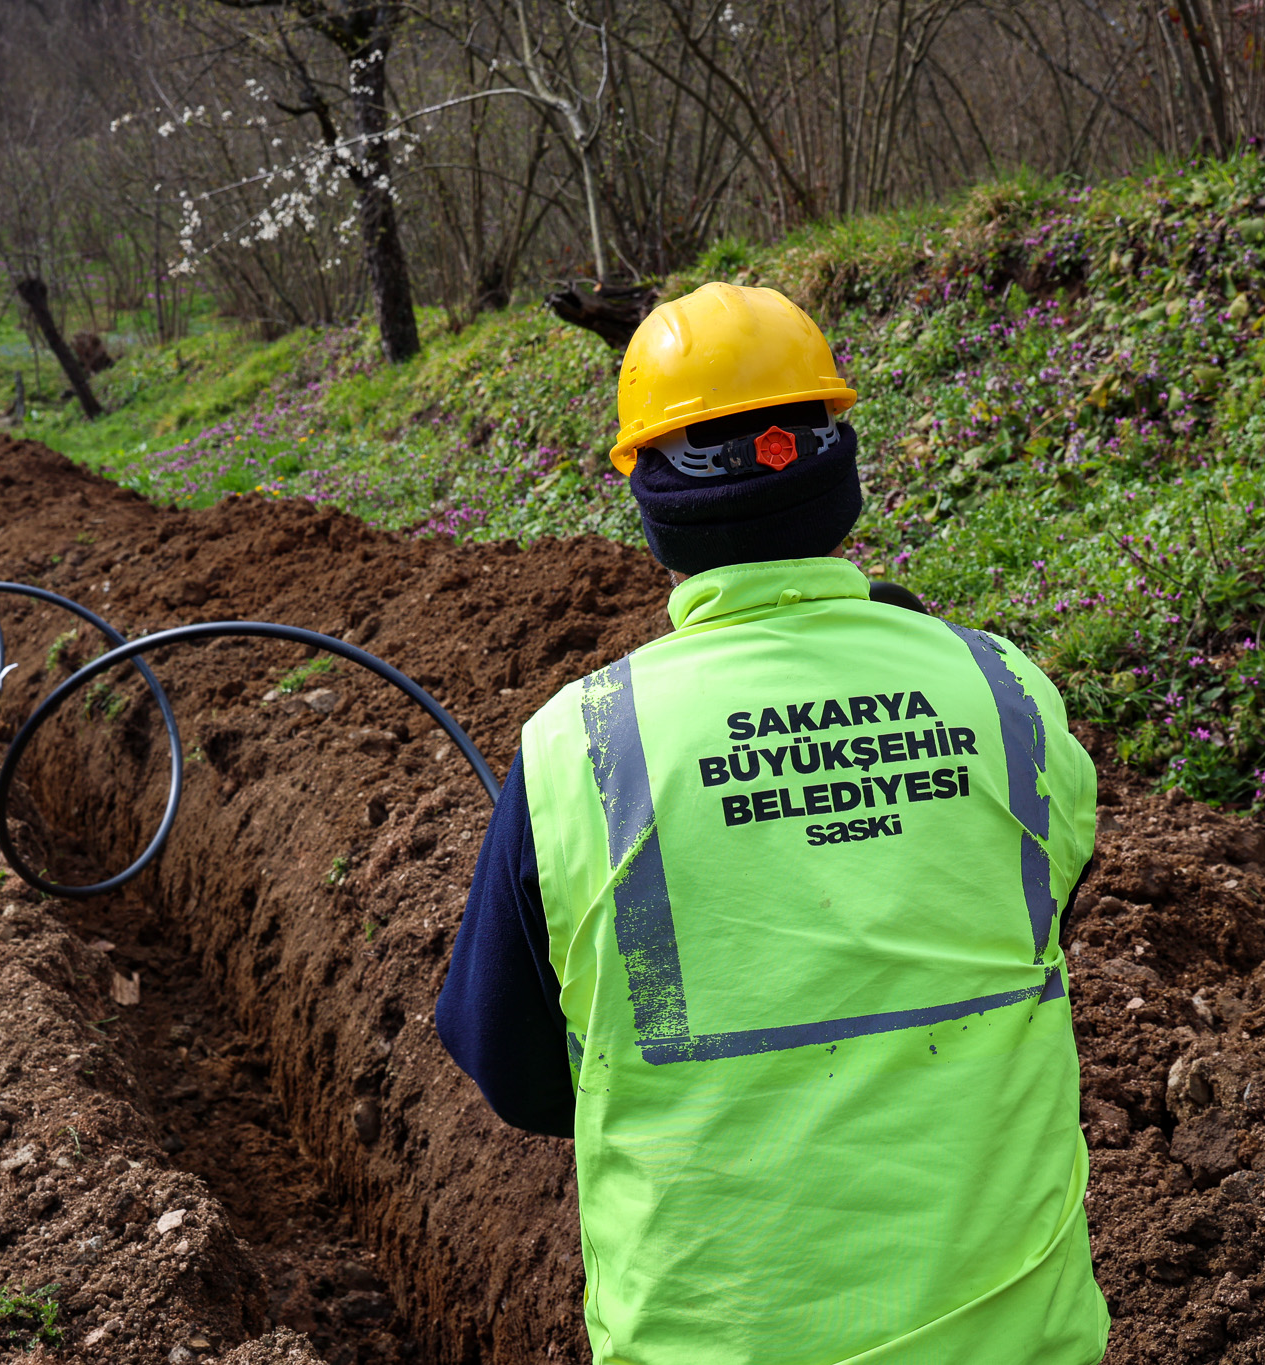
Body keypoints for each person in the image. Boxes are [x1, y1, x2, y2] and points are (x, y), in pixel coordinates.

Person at [435, 282, 1108, 1364]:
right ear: (835, 470)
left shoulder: (578, 745)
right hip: (1019, 1339)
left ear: (650, 503)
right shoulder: (1004, 694)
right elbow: (1029, 920)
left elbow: (516, 1078)